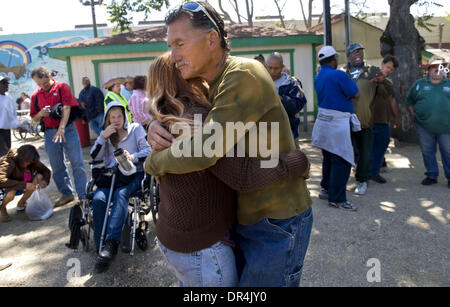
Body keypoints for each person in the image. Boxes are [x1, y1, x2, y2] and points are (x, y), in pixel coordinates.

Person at [145, 1, 313, 287]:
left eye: (180, 44)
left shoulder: (243, 75)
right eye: (171, 46)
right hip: (248, 218)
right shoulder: (215, 85)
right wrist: (155, 124)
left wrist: (152, 163)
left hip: (275, 219)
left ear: (212, 39)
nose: (173, 56)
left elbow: (207, 150)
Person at [90, 101, 151, 273]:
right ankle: (99, 243)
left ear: (125, 116)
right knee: (99, 198)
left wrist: (131, 156)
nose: (116, 120)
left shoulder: (136, 129)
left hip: (132, 173)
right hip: (112, 176)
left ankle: (111, 243)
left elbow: (148, 151)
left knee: (121, 195)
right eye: (112, 117)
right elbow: (94, 156)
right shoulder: (107, 135)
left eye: (119, 116)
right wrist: (103, 137)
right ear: (107, 119)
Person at [30, 67, 87, 207]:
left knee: (77, 162)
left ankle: (83, 194)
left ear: (49, 76)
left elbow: (67, 108)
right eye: (38, 84)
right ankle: (67, 194)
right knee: (57, 166)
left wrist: (61, 128)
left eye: (44, 83)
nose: (42, 86)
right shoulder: (35, 96)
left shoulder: (62, 87)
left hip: (68, 129)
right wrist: (41, 114)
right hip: (49, 132)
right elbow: (34, 119)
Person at [312, 46, 360, 211]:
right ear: (333, 59)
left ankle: (326, 188)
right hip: (338, 123)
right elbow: (355, 92)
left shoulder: (318, 76)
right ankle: (338, 198)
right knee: (342, 159)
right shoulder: (338, 74)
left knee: (329, 156)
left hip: (324, 121)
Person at [343, 43, 384, 195]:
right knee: (346, 151)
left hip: (364, 119)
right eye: (354, 52)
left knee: (365, 152)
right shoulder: (342, 72)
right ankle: (343, 178)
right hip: (344, 120)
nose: (358, 54)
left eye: (360, 51)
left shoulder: (373, 71)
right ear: (348, 55)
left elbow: (386, 93)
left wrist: (383, 81)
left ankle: (362, 180)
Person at [406, 56, 450, 188]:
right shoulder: (419, 84)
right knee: (427, 151)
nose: (437, 69)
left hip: (446, 127)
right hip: (423, 126)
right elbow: (409, 101)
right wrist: (415, 115)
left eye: (440, 67)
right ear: (429, 69)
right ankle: (431, 175)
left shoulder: (449, 84)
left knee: (448, 152)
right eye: (434, 67)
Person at [369, 55, 401, 184]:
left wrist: (396, 117)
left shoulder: (388, 83)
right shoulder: (369, 75)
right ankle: (364, 174)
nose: (388, 70)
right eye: (388, 67)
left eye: (391, 69)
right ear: (382, 64)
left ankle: (375, 173)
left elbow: (391, 99)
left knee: (381, 149)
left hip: (384, 121)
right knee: (368, 150)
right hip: (369, 121)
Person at [0, 145, 51, 222]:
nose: (27, 164)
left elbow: (45, 170)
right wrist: (24, 185)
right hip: (9, 186)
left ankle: (21, 203)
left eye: (29, 162)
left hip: (23, 179)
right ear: (20, 158)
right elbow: (1, 180)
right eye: (26, 162)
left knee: (38, 178)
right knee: (12, 192)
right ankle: (2, 208)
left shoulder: (32, 160)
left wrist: (44, 181)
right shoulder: (8, 161)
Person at [266, 52, 307, 141]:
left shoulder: (292, 83)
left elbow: (297, 106)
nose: (272, 71)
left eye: (276, 68)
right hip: (265, 135)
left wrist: (281, 99)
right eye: (270, 67)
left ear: (282, 67)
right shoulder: (261, 82)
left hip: (288, 134)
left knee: (293, 155)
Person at [0, 76, 19, 157]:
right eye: (3, 83)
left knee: (7, 152)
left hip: (7, 131)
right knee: (4, 154)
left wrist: (17, 125)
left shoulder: (9, 98)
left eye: (7, 83)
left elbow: (13, 114)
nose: (6, 85)